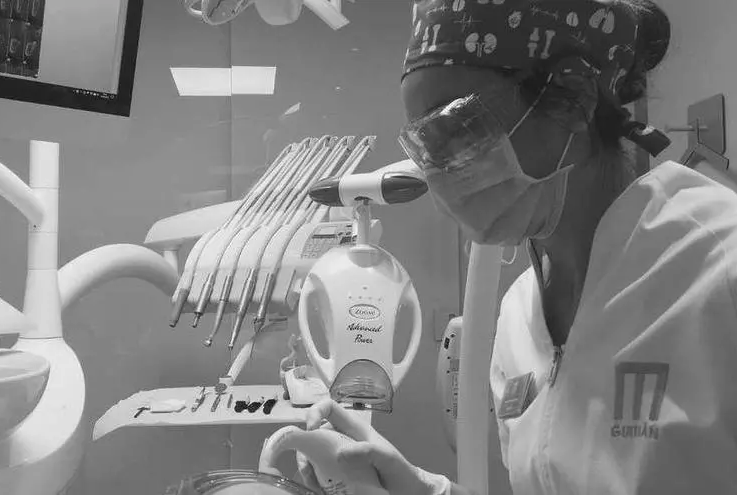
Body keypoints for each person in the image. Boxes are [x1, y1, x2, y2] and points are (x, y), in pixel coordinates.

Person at [297, 0, 737, 494]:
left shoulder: (720, 272)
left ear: (573, 95)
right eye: (424, 146)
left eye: (456, 127)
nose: (440, 172)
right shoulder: (518, 315)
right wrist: (417, 488)